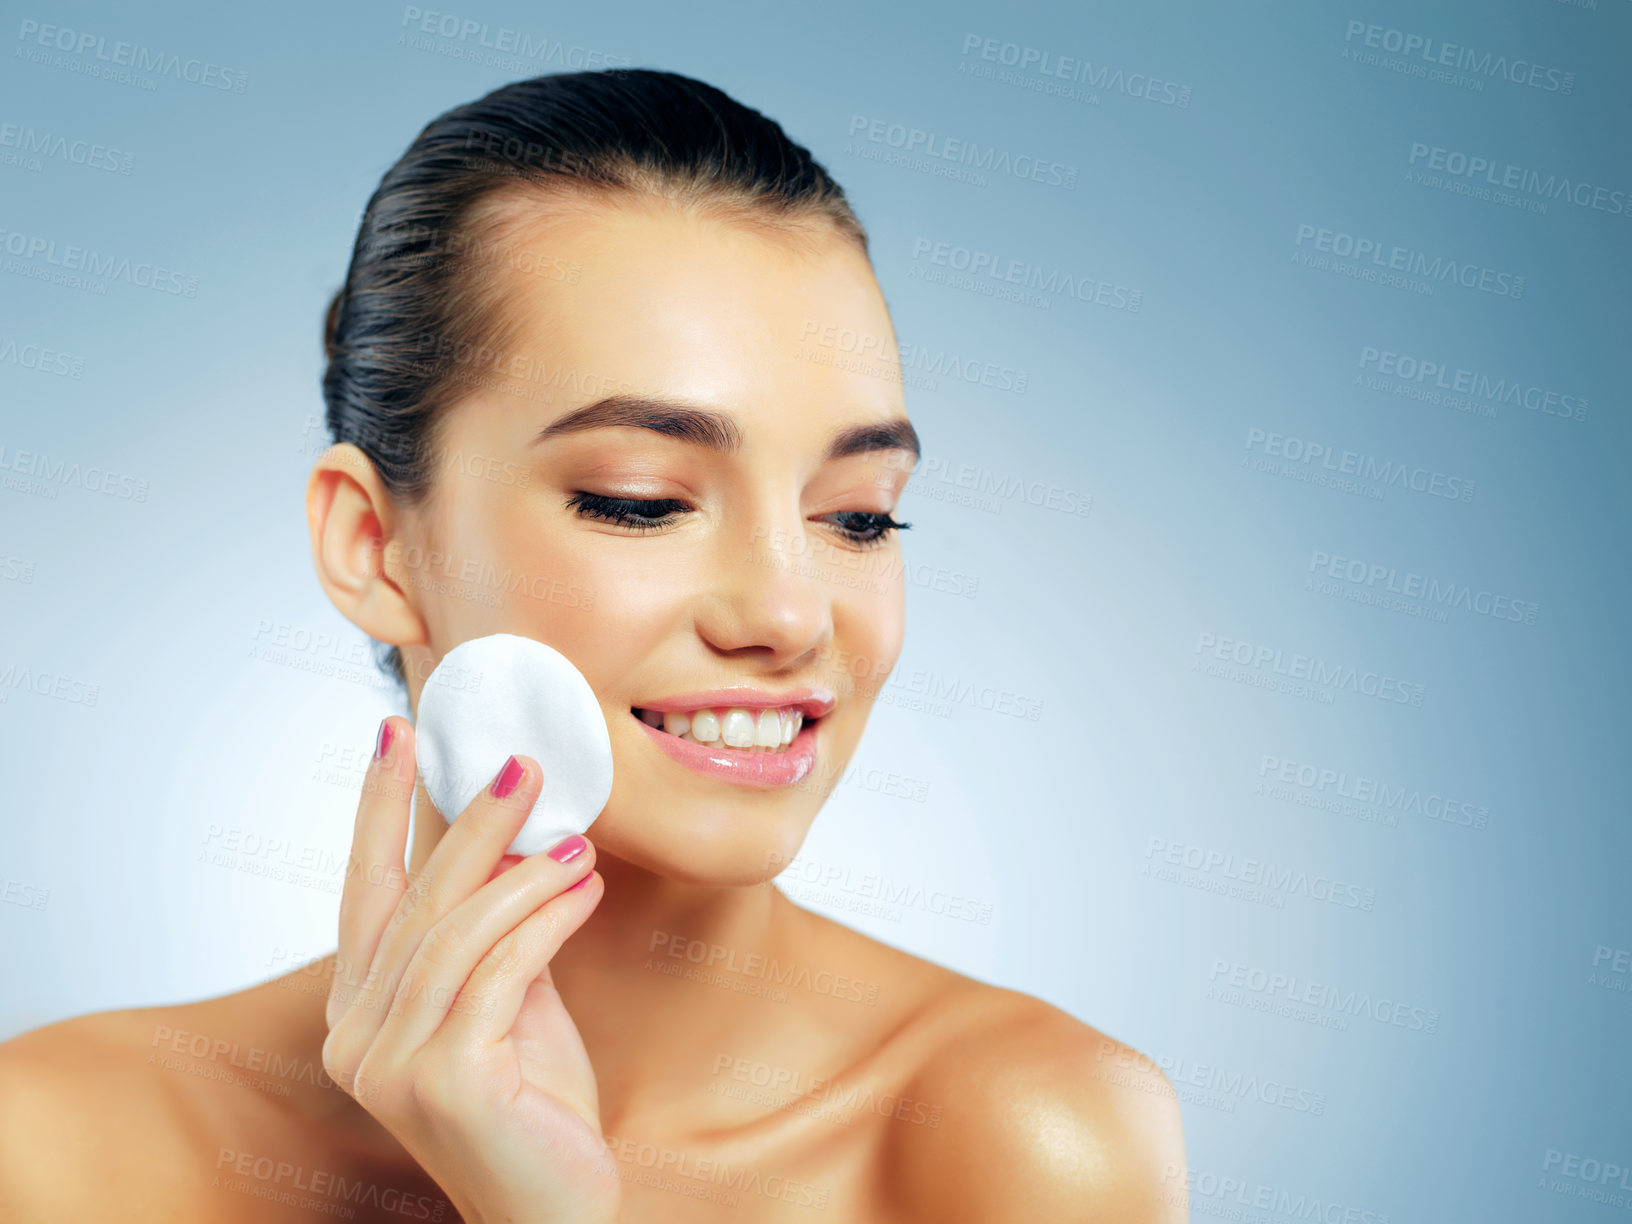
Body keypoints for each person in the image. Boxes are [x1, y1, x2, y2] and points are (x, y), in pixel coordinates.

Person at [0, 69, 1186, 1221]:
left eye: (860, 516)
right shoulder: (63, 1149)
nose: (789, 615)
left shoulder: (1030, 1140)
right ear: (372, 544)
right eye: (640, 500)